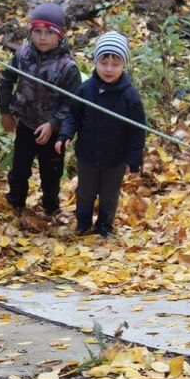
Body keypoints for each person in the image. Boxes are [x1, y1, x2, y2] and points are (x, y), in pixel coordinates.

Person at [55, 31, 146, 237]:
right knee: (85, 193)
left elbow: (137, 130)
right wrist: (65, 135)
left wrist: (134, 163)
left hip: (115, 159)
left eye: (115, 64)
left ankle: (105, 226)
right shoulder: (85, 90)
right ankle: (83, 223)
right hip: (87, 155)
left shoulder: (129, 95)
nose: (109, 69)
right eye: (104, 62)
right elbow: (73, 116)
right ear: (95, 62)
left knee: (109, 195)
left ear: (124, 65)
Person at [0, 3, 81, 218]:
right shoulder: (22, 54)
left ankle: (51, 208)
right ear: (30, 32)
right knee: (18, 171)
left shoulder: (67, 66)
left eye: (49, 33)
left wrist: (53, 124)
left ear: (60, 36)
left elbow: (72, 104)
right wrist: (5, 110)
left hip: (52, 133)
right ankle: (16, 203)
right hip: (25, 125)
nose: (42, 38)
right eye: (37, 32)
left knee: (51, 175)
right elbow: (6, 80)